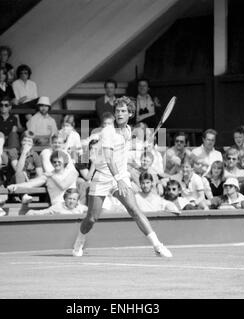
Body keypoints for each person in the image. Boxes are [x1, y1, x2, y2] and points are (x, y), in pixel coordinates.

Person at [71, 96, 172, 258]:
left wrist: (142, 146)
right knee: (91, 218)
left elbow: (126, 147)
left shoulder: (128, 130)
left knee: (134, 210)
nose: (119, 114)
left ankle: (157, 246)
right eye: (117, 111)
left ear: (130, 114)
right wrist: (118, 179)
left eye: (123, 111)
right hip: (104, 177)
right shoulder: (107, 131)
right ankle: (79, 241)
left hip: (121, 177)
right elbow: (109, 158)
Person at [8, 150, 78, 206]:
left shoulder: (72, 172)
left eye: (59, 162)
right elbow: (30, 184)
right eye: (54, 162)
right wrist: (16, 185)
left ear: (65, 162)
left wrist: (52, 176)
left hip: (71, 206)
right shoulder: (47, 176)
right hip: (57, 207)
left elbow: (63, 186)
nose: (56, 164)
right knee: (32, 213)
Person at [9, 131, 43, 201]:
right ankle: (23, 196)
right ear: (21, 141)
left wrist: (31, 181)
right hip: (14, 180)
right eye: (24, 140)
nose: (26, 143)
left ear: (32, 144)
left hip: (28, 181)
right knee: (20, 174)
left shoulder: (34, 155)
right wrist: (24, 152)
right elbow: (18, 170)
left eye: (29, 141)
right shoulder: (13, 151)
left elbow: (40, 174)